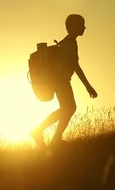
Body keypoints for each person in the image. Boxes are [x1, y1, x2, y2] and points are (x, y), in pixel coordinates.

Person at [31, 14, 98, 147]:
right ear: (73, 27)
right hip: (60, 81)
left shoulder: (68, 42)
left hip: (59, 80)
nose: (84, 27)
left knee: (68, 108)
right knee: (69, 108)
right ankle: (43, 133)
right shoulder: (69, 45)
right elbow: (76, 67)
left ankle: (50, 136)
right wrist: (88, 86)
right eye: (81, 25)